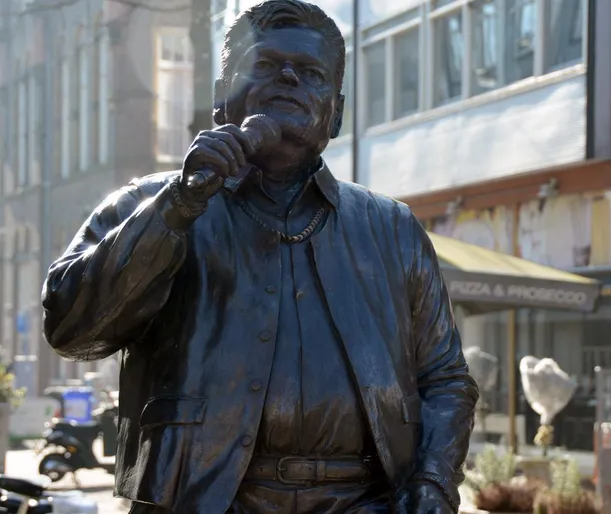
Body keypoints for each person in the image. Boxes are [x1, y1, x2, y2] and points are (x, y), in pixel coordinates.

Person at [41, 1, 478, 512]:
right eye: (265, 66)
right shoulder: (151, 204)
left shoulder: (392, 229)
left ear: (334, 114)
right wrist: (178, 207)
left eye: (310, 73)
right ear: (220, 100)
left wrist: (432, 482)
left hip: (366, 502)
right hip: (203, 499)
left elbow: (446, 381)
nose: (288, 77)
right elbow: (72, 330)